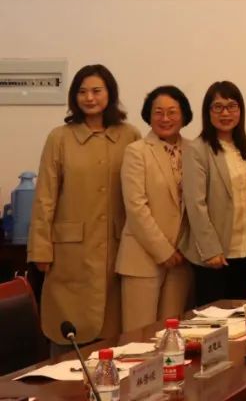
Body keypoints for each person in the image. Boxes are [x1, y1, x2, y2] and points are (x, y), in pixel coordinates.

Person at [27, 64, 141, 346]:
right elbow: (45, 197)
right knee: (68, 332)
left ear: (110, 94)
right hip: (70, 251)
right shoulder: (59, 138)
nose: (89, 98)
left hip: (118, 247)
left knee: (115, 335)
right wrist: (40, 248)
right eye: (82, 92)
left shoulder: (129, 136)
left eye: (97, 91)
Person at [116, 85, 195, 331]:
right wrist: (163, 251)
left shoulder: (194, 150)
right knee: (138, 337)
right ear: (148, 116)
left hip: (182, 258)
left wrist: (183, 248)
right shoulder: (136, 151)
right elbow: (136, 207)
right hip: (143, 257)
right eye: (158, 112)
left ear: (184, 115)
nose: (165, 118)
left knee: (172, 335)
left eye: (172, 112)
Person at [181, 81, 246, 306]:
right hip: (217, 255)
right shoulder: (197, 150)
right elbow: (195, 204)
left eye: (232, 106)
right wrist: (210, 250)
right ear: (208, 112)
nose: (225, 113)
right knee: (214, 317)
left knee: (244, 314)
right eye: (218, 107)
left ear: (240, 110)